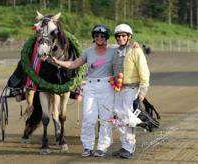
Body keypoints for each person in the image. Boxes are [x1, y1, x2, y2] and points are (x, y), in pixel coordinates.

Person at [51, 24, 115, 157]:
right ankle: (87, 147)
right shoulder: (88, 52)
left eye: (102, 36)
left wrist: (135, 45)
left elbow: (127, 51)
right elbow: (74, 64)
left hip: (107, 87)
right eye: (97, 35)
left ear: (106, 37)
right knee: (88, 119)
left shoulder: (114, 51)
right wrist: (59, 62)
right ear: (94, 37)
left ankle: (102, 147)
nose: (99, 38)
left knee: (105, 119)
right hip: (91, 87)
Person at [111, 24, 150, 159]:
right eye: (118, 36)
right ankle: (124, 145)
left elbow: (144, 71)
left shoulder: (136, 50)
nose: (120, 38)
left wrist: (143, 91)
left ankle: (129, 147)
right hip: (118, 88)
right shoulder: (115, 51)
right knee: (119, 117)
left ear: (129, 37)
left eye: (123, 35)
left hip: (131, 88)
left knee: (128, 117)